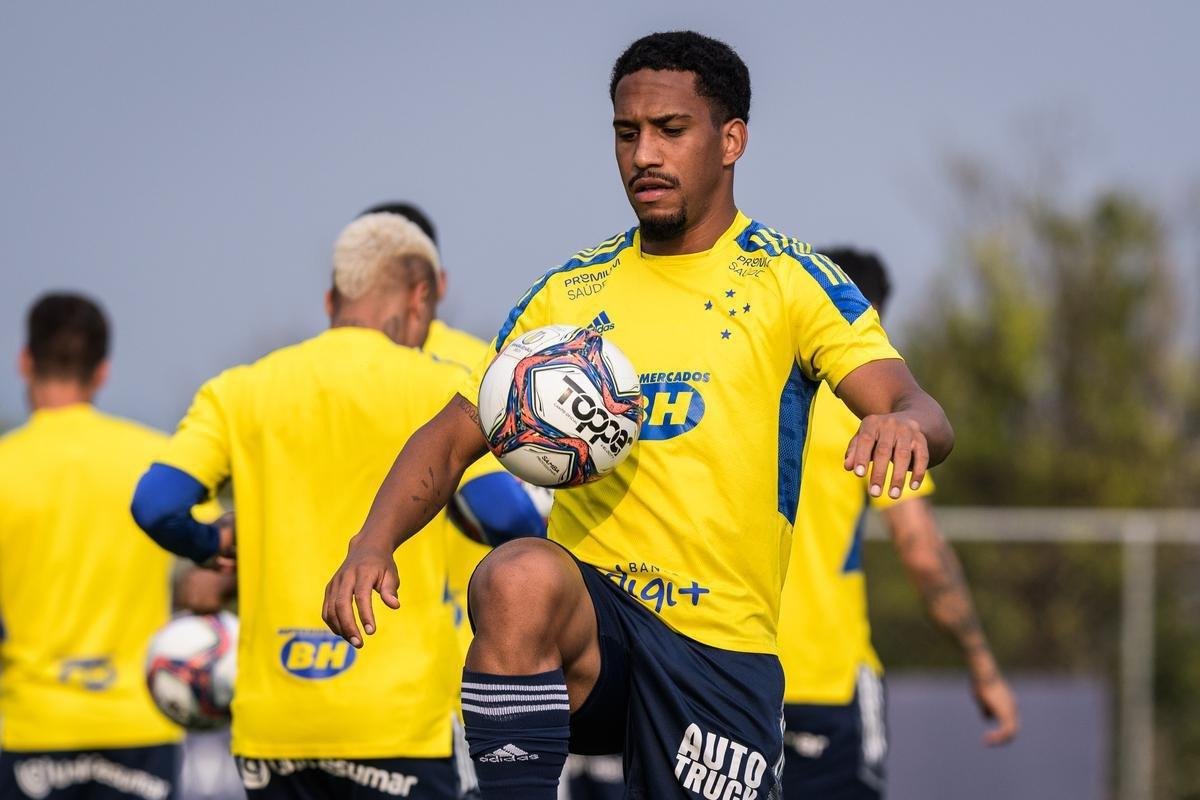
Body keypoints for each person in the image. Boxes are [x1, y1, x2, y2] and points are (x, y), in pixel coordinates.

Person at [323, 31, 955, 800]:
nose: (643, 155)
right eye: (627, 134)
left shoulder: (790, 280)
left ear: (731, 141)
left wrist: (904, 425)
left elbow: (912, 402)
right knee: (516, 575)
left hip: (717, 652)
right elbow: (456, 433)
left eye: (670, 131)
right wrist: (373, 540)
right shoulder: (569, 295)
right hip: (598, 628)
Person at [131, 214, 480, 799]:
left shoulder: (239, 389)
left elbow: (157, 504)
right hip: (398, 720)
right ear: (422, 298)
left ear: (330, 299)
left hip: (274, 726)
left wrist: (213, 544)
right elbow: (504, 514)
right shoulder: (443, 389)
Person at [776, 248, 1019, 798]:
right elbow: (919, 547)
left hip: (725, 674)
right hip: (828, 681)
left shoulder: (749, 401)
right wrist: (982, 665)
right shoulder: (874, 418)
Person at [0, 293, 215, 800]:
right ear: (102, 372)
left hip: (33, 728)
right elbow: (225, 555)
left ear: (25, 360)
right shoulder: (155, 460)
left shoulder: (5, 467)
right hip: (139, 723)